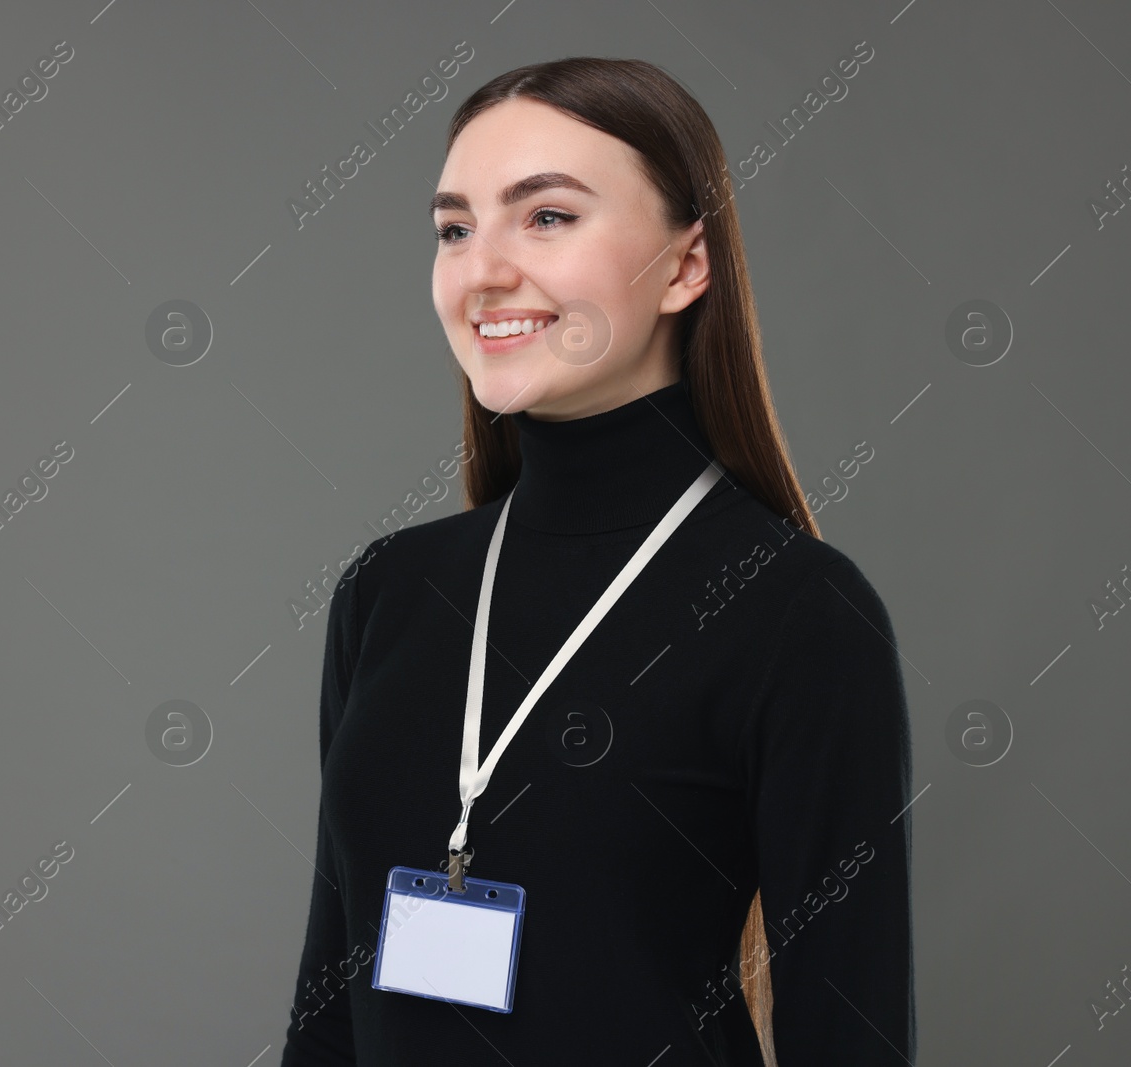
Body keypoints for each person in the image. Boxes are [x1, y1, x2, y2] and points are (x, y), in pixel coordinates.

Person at [281, 57, 914, 1066]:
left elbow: (849, 1035)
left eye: (547, 217)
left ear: (684, 265)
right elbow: (326, 1014)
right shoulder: (388, 591)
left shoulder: (799, 612)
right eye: (455, 227)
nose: (483, 269)